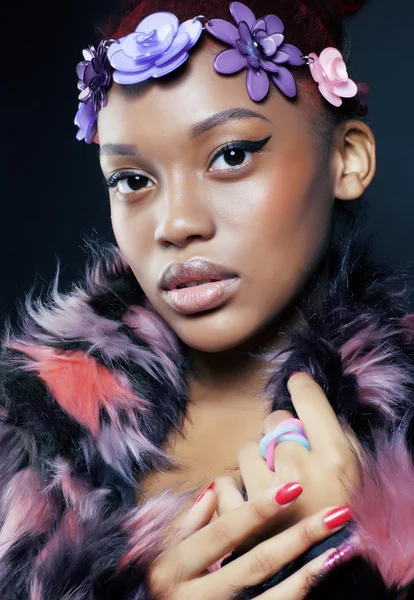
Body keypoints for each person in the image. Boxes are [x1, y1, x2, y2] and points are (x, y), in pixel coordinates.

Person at [1, 0, 414, 598]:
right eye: (133, 180)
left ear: (346, 159)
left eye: (232, 155)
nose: (175, 224)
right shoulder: (25, 433)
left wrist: (370, 557)